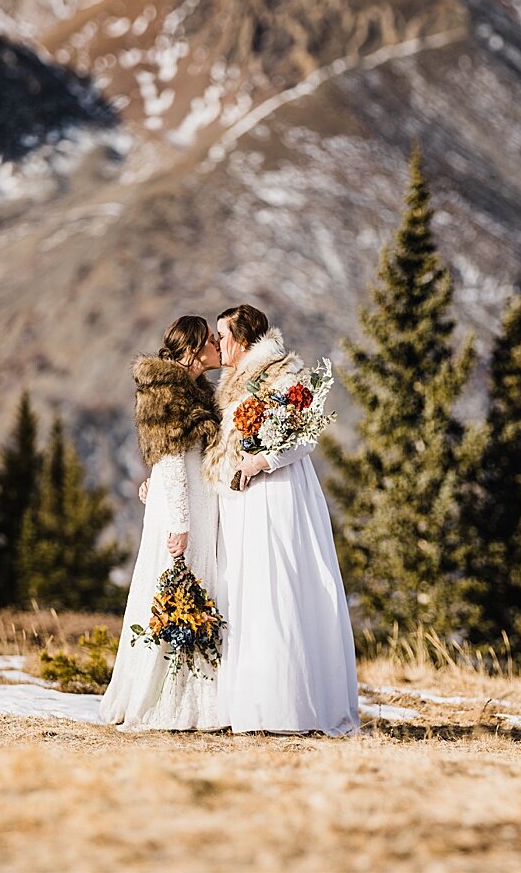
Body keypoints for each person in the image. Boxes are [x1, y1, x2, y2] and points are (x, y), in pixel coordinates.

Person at [208, 304, 360, 735]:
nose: (218, 344)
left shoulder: (283, 374)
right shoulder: (231, 381)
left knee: (278, 584)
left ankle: (287, 702)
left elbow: (305, 437)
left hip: (277, 492)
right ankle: (250, 700)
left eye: (223, 335)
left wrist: (264, 461)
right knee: (245, 589)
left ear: (244, 338)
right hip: (240, 499)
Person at [100, 315, 227, 730]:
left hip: (192, 502)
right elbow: (171, 458)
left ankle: (193, 693)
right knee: (176, 589)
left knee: (196, 593)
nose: (216, 345)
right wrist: (180, 523)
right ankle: (168, 699)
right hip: (183, 507)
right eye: (209, 339)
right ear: (191, 349)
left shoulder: (194, 390)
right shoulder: (167, 391)